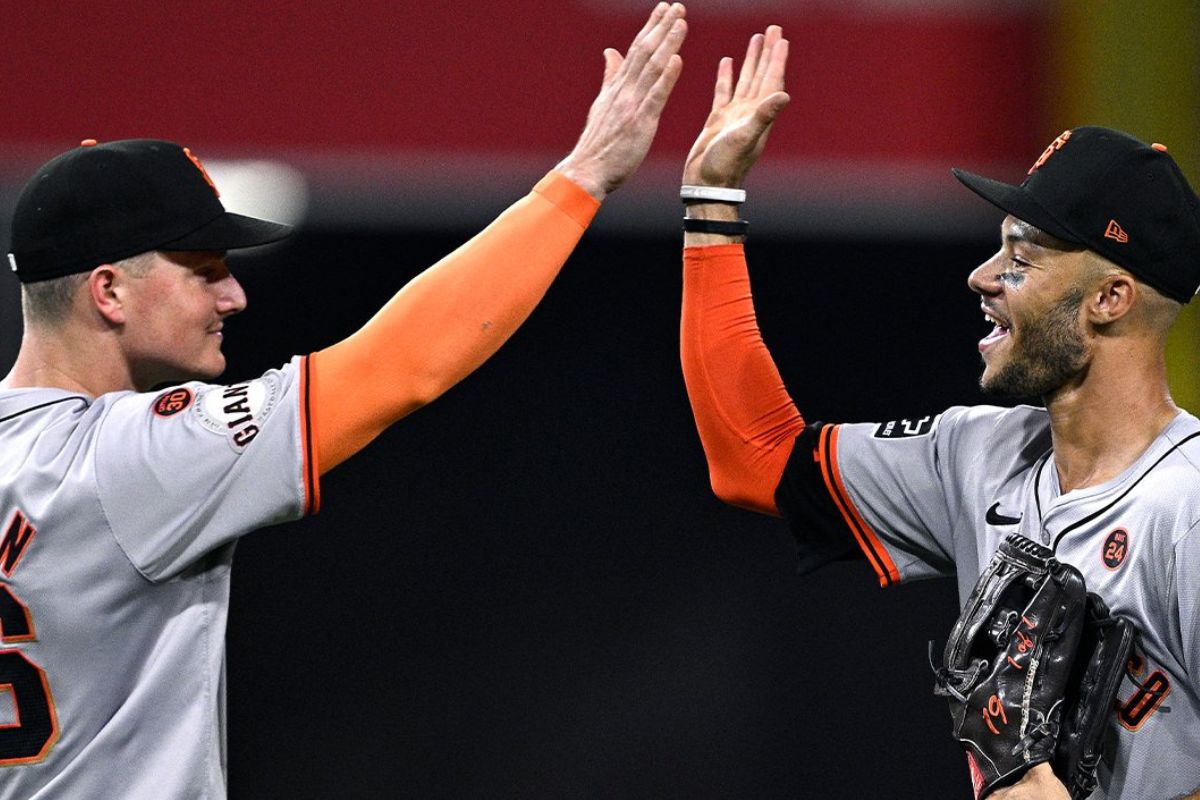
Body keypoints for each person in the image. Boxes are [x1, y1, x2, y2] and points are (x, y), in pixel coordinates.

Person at [0, 4, 687, 797]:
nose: (233, 296)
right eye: (204, 268)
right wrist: (583, 178)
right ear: (109, 291)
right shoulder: (128, 459)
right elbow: (403, 365)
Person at [678, 25, 1200, 800]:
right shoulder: (976, 454)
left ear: (1110, 298)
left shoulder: (1185, 511)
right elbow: (754, 459)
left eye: (1021, 259)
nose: (982, 275)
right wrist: (711, 206)